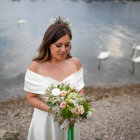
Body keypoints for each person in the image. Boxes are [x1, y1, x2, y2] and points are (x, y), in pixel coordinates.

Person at [24, 17, 85, 140]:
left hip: (70, 120)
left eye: (67, 45)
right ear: (48, 44)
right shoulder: (35, 66)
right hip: (45, 122)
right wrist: (55, 111)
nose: (63, 49)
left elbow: (81, 90)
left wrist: (76, 107)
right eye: (58, 45)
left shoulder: (76, 63)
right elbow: (31, 98)